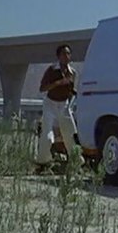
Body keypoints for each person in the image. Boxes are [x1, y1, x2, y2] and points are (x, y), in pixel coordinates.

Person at [35, 44, 81, 172]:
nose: (66, 56)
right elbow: (42, 88)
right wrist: (57, 83)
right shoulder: (51, 70)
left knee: (71, 134)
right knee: (48, 136)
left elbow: (71, 89)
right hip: (50, 104)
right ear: (58, 56)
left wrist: (74, 94)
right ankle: (43, 161)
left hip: (64, 105)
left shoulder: (73, 73)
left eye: (68, 54)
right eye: (63, 54)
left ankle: (76, 162)